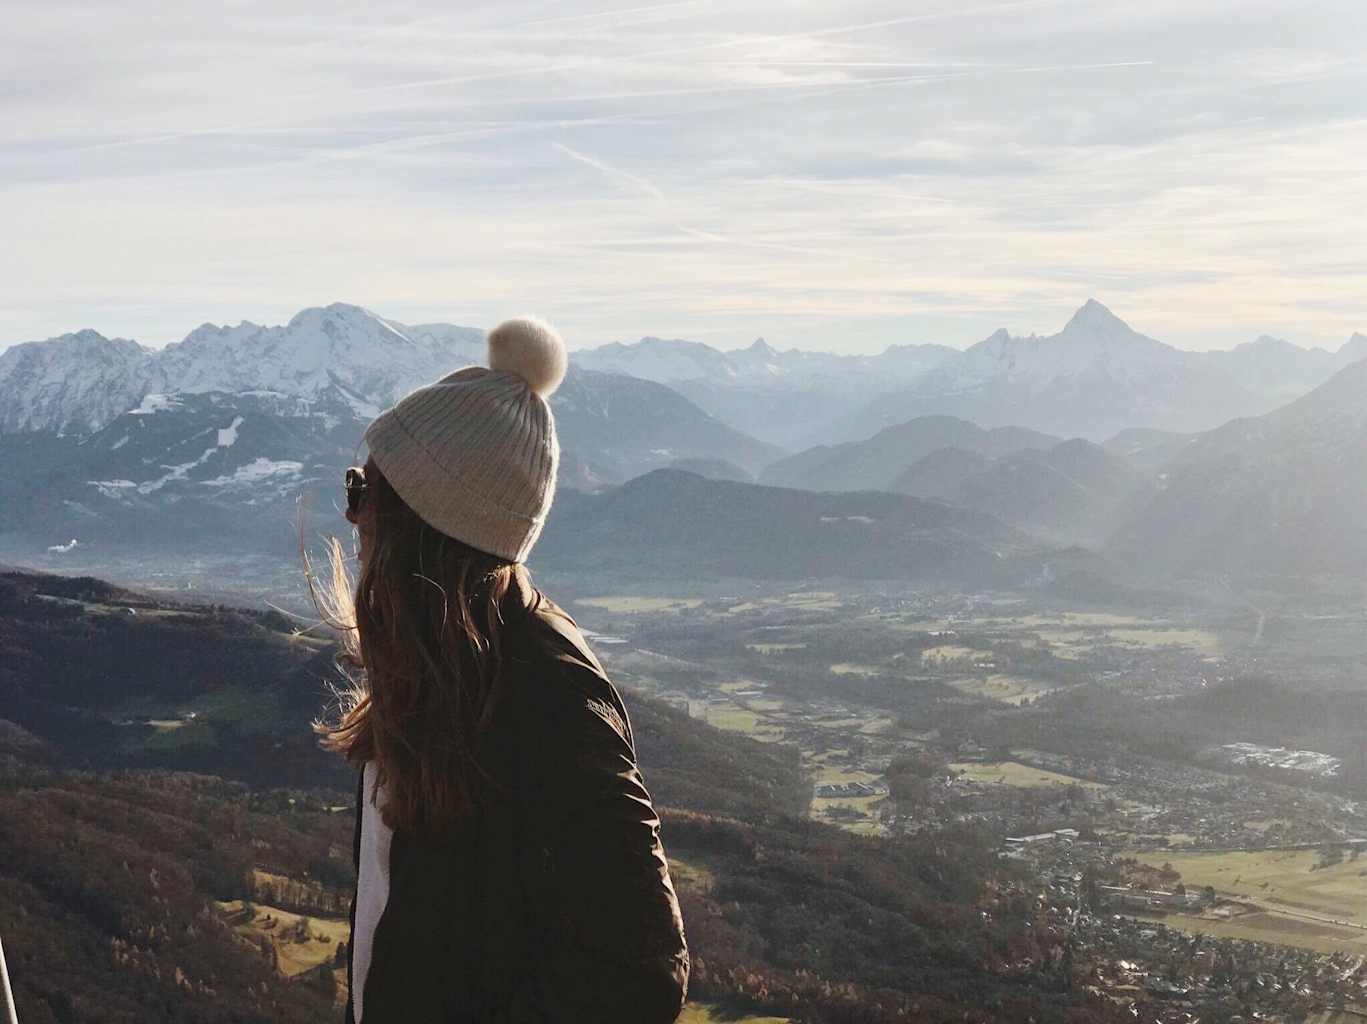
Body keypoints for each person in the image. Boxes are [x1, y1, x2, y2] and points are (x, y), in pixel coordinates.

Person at [308, 317, 689, 1023]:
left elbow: (638, 974)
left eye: (365, 491)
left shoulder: (547, 692)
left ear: (420, 524)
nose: (353, 516)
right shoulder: (438, 672)